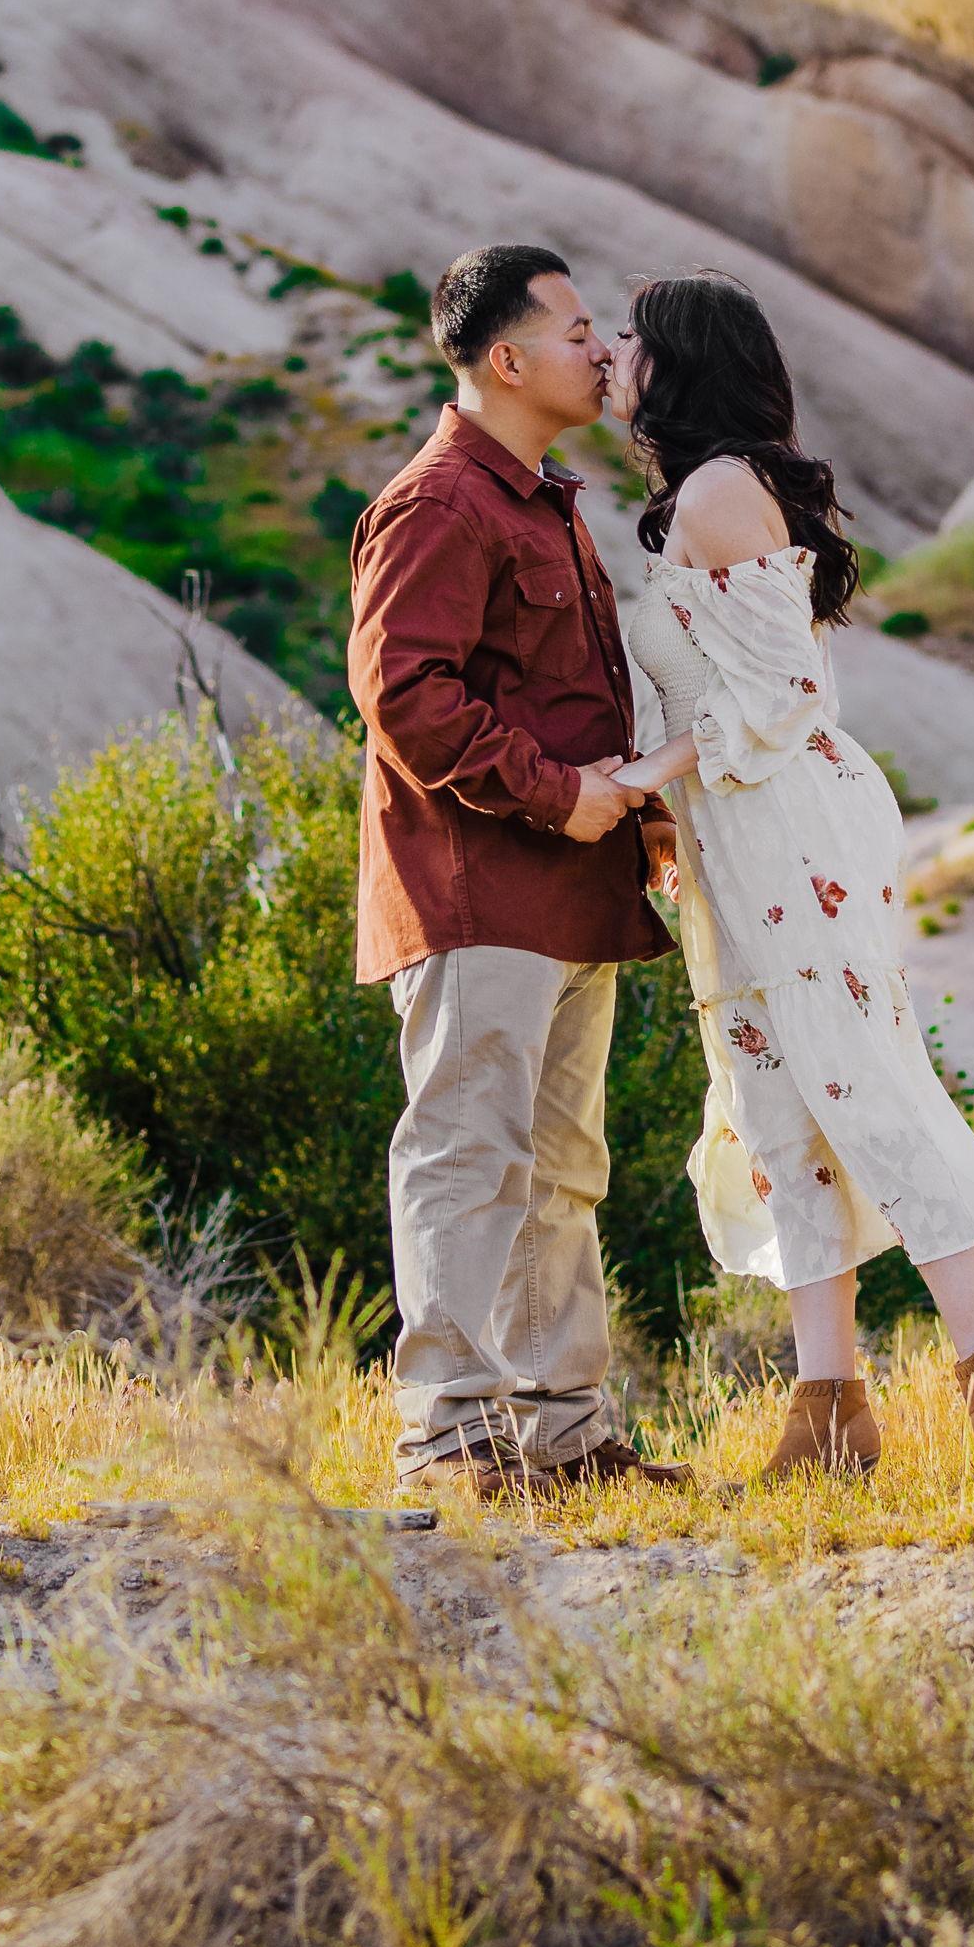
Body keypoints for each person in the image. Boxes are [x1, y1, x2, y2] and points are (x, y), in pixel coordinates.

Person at [601, 270, 974, 1479]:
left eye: (632, 340)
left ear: (678, 365)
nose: (611, 353)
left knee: (855, 1079)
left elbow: (786, 697)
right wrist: (665, 801)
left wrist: (634, 774)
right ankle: (827, 1408)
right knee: (776, 1101)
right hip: (736, 834)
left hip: (790, 831)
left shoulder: (717, 491)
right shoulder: (696, 494)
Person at [346, 242, 689, 1493]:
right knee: (465, 1150)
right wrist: (560, 796)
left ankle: (563, 1432)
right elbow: (402, 693)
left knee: (561, 1167)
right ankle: (445, 1436)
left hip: (567, 891)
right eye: (578, 328)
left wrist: (632, 808)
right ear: (506, 357)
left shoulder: (544, 500)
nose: (602, 350)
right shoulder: (441, 502)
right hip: (476, 890)